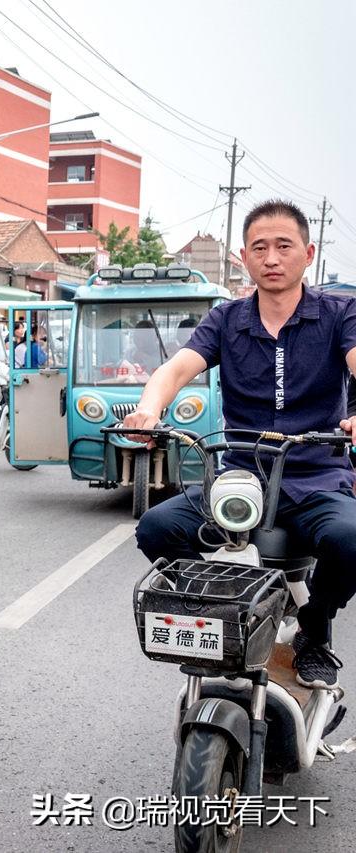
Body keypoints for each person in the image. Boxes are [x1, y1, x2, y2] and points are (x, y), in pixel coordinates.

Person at [124, 199, 356, 689]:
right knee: (156, 529)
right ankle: (224, 612)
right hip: (239, 478)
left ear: (307, 253)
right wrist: (150, 408)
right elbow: (178, 367)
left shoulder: (339, 313)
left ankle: (314, 629)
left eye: (283, 246)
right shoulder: (226, 319)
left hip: (317, 477)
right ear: (244, 258)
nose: (272, 258)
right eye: (260, 248)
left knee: (351, 539)